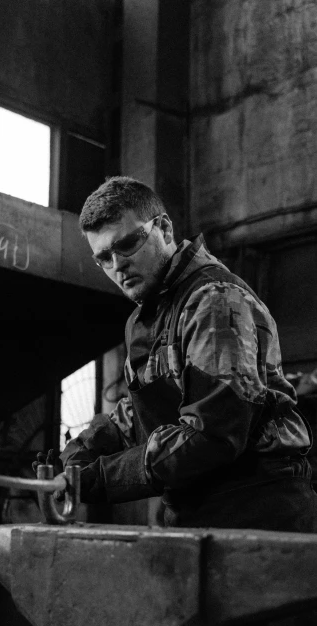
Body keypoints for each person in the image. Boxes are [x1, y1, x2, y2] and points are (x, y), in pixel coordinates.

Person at [36, 176, 317, 531]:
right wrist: (81, 452)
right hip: (195, 511)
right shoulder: (149, 315)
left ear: (165, 229)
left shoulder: (213, 300)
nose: (117, 266)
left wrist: (103, 477)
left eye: (127, 244)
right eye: (104, 257)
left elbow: (212, 435)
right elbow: (141, 413)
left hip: (259, 510)